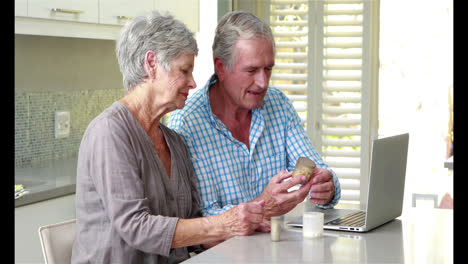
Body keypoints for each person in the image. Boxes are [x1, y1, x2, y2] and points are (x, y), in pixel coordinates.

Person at [71, 12, 266, 264]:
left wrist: (248, 233)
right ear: (151, 64)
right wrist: (222, 224)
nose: (193, 82)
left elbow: (193, 229)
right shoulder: (109, 133)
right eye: (184, 70)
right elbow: (136, 227)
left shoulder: (175, 141)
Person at [168, 11, 341, 232]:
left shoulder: (278, 104)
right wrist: (263, 206)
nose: (262, 82)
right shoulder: (186, 125)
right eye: (251, 70)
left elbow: (316, 167)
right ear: (220, 67)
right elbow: (202, 219)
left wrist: (327, 187)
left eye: (268, 69)